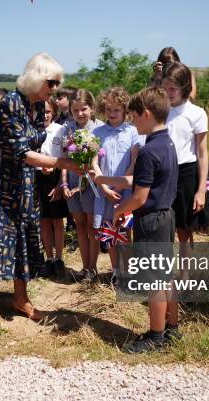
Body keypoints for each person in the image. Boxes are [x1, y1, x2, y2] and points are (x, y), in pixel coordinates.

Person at [0, 53, 85, 329]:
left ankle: (20, 299)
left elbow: (32, 148)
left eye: (58, 83)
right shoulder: (11, 102)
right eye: (51, 82)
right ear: (36, 78)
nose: (55, 88)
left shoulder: (36, 105)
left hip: (22, 180)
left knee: (23, 236)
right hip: (0, 181)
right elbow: (21, 151)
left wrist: (45, 166)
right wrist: (60, 163)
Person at [92, 86, 178, 353]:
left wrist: (119, 211)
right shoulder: (166, 143)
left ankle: (155, 336)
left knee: (154, 280)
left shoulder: (148, 151)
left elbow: (139, 197)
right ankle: (172, 328)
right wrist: (104, 179)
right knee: (165, 276)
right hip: (166, 217)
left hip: (150, 220)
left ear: (147, 114)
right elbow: (139, 180)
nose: (131, 121)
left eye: (134, 116)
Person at [158, 62, 209, 340]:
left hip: (187, 174)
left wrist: (201, 189)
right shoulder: (160, 110)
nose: (168, 93)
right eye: (164, 88)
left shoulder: (197, 113)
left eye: (173, 89)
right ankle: (162, 278)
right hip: (163, 172)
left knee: (185, 230)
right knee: (164, 227)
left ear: (186, 89)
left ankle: (186, 278)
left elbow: (202, 153)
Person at [92, 86, 141, 285]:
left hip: (125, 191)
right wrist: (103, 187)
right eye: (109, 109)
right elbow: (94, 161)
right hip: (104, 191)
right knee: (109, 230)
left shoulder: (132, 131)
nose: (112, 114)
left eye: (117, 110)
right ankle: (115, 270)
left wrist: (119, 188)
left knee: (124, 230)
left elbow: (134, 162)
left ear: (125, 110)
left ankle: (127, 271)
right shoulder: (98, 132)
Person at [61, 89, 104, 281]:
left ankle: (93, 268)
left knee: (91, 226)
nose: (79, 114)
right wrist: (63, 184)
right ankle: (84, 267)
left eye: (83, 109)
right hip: (72, 183)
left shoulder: (100, 129)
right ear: (70, 110)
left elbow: (102, 160)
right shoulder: (67, 129)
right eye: (75, 110)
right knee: (79, 226)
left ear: (92, 108)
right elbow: (62, 158)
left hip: (91, 185)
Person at [37, 97, 70, 277]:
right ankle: (48, 258)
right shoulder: (32, 130)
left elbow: (66, 158)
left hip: (56, 177)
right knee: (44, 220)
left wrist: (60, 184)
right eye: (41, 112)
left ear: (54, 113)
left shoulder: (61, 130)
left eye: (48, 112)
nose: (44, 115)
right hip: (37, 178)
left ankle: (59, 258)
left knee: (57, 220)